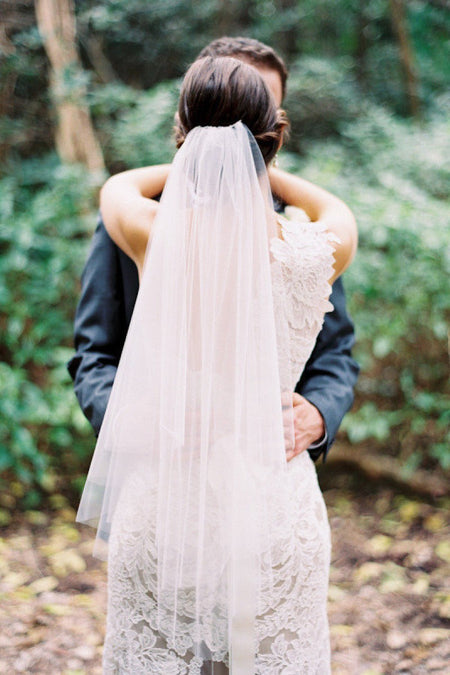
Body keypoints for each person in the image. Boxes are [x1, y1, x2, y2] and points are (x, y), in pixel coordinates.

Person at [77, 56, 357, 673]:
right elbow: (333, 205)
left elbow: (119, 185)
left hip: (164, 509)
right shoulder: (319, 248)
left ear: (183, 138)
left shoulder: (150, 231)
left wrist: (202, 145)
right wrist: (264, 166)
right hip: (274, 511)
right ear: (276, 138)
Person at [67, 36, 359, 464]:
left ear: (184, 123)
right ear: (276, 131)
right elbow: (95, 352)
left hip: (273, 466)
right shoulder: (315, 241)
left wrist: (318, 414)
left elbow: (336, 352)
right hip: (158, 462)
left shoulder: (138, 223)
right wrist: (131, 423)